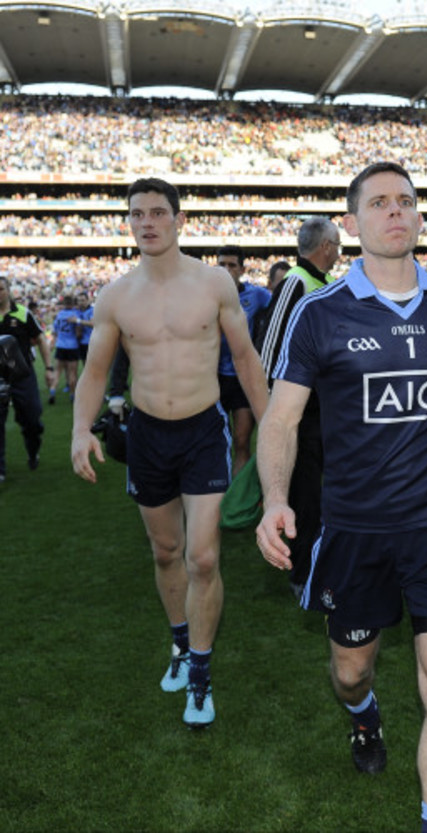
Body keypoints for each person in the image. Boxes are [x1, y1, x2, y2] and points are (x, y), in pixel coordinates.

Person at [255, 162, 427, 833]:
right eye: (378, 203)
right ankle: (363, 714)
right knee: (351, 671)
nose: (395, 211)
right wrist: (275, 498)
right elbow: (281, 419)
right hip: (353, 528)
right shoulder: (319, 313)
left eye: (406, 201)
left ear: (419, 216)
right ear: (351, 223)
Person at [71, 178, 269, 728]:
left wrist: (272, 423)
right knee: (165, 551)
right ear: (129, 222)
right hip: (148, 436)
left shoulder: (213, 283)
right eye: (137, 214)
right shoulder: (115, 296)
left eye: (158, 212)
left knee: (202, 556)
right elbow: (94, 371)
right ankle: (181, 643)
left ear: (179, 220)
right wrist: (80, 428)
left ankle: (200, 672)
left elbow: (246, 358)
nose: (147, 222)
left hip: (203, 432)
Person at [256, 216, 340, 599]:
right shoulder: (296, 282)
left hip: (324, 411)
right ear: (325, 247)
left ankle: (321, 559)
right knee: (305, 494)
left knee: (325, 490)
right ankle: (302, 572)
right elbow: (269, 346)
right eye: (337, 245)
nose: (339, 252)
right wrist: (272, 412)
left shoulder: (325, 283)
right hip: (299, 413)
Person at [217, 245, 271, 476]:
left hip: (243, 378)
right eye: (222, 265)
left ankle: (239, 494)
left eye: (232, 265)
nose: (226, 270)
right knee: (216, 442)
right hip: (213, 378)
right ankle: (217, 491)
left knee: (241, 441)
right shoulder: (208, 296)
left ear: (242, 269)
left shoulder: (256, 295)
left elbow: (281, 309)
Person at [0, 273, 55, 480]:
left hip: (22, 376)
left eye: (1, 289)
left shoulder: (23, 314)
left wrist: (49, 368)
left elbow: (40, 339)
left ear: (8, 291)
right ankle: (0, 469)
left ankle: (33, 452)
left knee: (32, 420)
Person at [49, 294, 80, 404]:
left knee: (57, 371)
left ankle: (52, 390)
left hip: (60, 345)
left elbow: (55, 331)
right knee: (72, 373)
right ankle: (72, 395)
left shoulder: (59, 315)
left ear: (64, 304)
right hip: (72, 346)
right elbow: (78, 333)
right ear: (72, 303)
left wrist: (53, 343)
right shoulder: (75, 314)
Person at [76, 290, 94, 364]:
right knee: (85, 364)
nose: (81, 302)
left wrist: (78, 321)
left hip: (91, 341)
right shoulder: (77, 311)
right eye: (79, 300)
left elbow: (93, 324)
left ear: (87, 300)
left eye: (83, 300)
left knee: (93, 364)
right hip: (81, 342)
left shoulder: (92, 310)